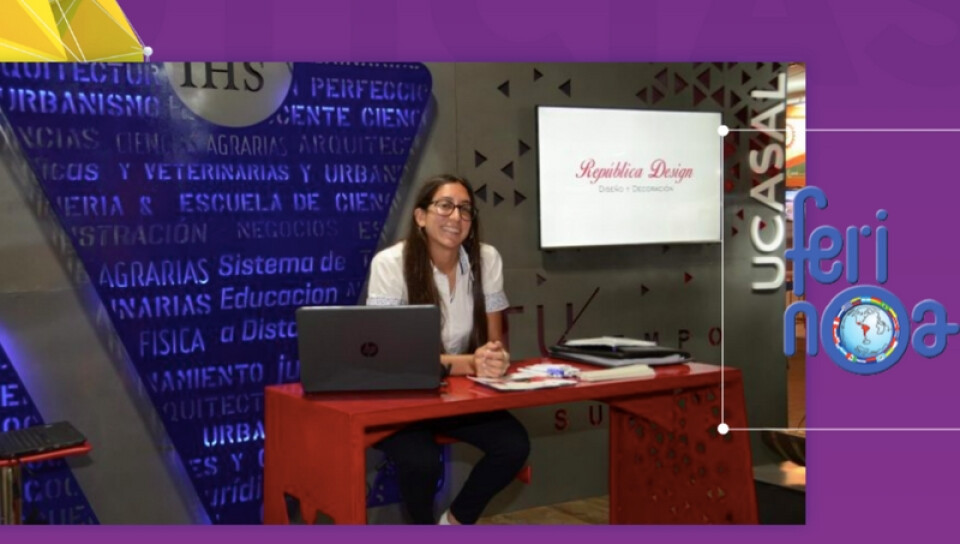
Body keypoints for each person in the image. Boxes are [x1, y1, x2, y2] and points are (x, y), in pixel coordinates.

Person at [365, 174, 530, 525]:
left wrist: (495, 359)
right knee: (421, 461)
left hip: (453, 396)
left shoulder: (487, 258)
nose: (456, 216)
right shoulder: (390, 264)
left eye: (465, 209)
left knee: (513, 445)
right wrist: (472, 363)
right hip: (401, 399)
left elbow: (494, 343)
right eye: (445, 206)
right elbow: (394, 359)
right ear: (420, 216)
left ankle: (452, 525)